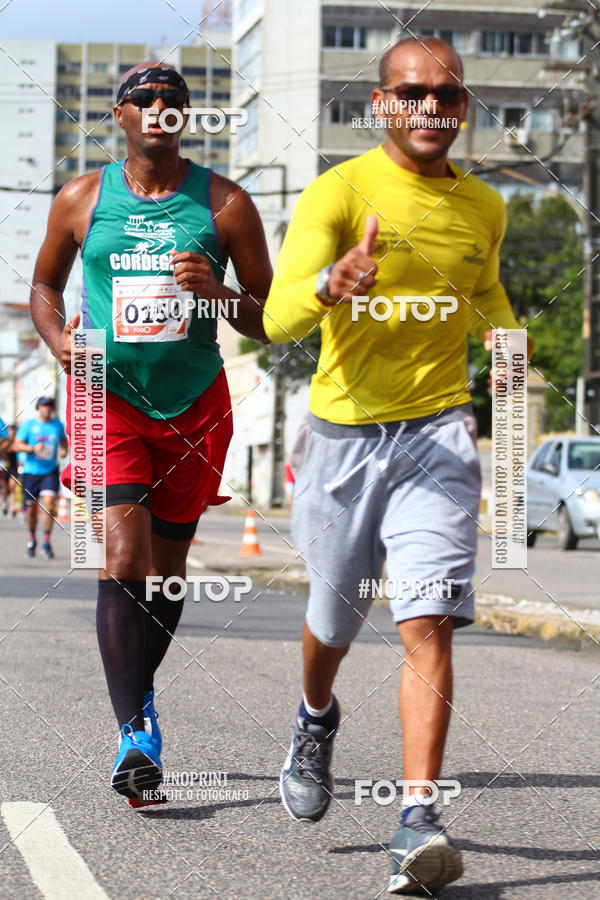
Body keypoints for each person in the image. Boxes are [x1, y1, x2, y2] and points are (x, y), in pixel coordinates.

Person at [264, 37, 531, 895]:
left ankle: (417, 819)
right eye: (411, 92)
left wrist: (508, 342)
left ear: (464, 106)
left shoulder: (484, 206)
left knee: (428, 617)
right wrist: (329, 285)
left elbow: (483, 292)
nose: (429, 108)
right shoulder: (339, 192)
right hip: (344, 438)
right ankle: (315, 718)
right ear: (380, 104)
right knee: (334, 620)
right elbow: (275, 318)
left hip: (440, 435)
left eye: (446, 95)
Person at [29, 61, 272, 805]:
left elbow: (269, 317)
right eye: (145, 97)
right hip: (106, 397)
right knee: (123, 555)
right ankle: (135, 732)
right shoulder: (81, 198)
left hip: (194, 404)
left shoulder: (227, 204)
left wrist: (218, 292)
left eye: (175, 98)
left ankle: (140, 695)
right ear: (121, 114)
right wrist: (59, 343)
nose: (160, 106)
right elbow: (44, 285)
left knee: (166, 571)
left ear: (187, 115)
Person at [13, 398, 68, 559]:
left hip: (50, 472)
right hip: (30, 472)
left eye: (50, 406)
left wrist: (63, 450)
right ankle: (32, 539)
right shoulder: (29, 425)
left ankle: (46, 542)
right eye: (44, 406)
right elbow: (16, 446)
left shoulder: (57, 425)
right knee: (31, 508)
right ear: (39, 407)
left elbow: (64, 441)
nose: (47, 409)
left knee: (50, 506)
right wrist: (32, 448)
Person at [1, 424, 20, 516]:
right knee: (5, 487)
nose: (11, 433)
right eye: (10, 431)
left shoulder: (18, 442)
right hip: (5, 467)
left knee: (12, 487)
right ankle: (4, 503)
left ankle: (13, 506)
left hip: (14, 467)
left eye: (13, 431)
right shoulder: (4, 442)